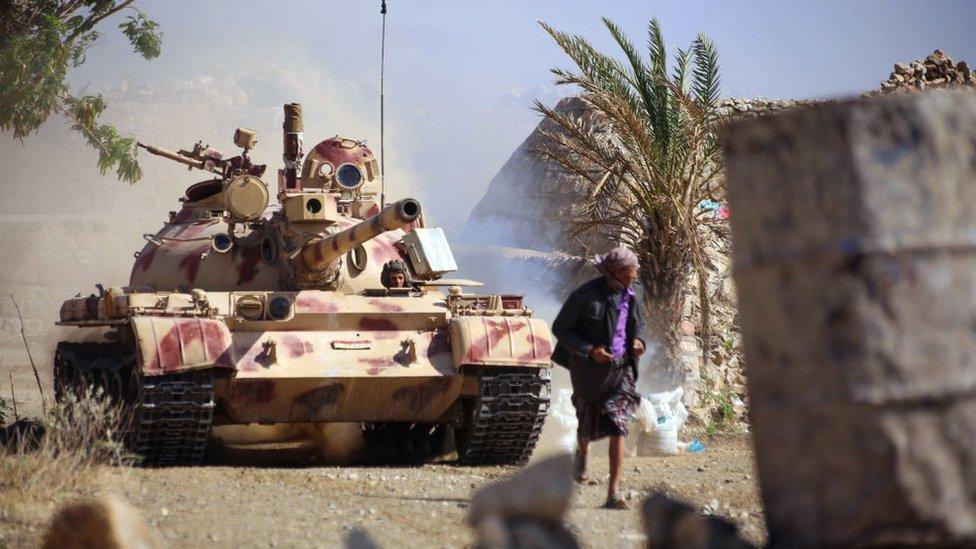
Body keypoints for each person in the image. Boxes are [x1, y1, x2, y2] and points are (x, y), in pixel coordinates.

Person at [551, 246, 646, 510]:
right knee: (587, 421)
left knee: (618, 423)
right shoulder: (585, 296)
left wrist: (639, 341)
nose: (637, 272)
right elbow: (560, 328)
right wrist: (590, 351)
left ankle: (614, 492)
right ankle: (582, 450)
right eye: (633, 268)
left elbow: (640, 325)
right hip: (589, 372)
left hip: (622, 370)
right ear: (618, 272)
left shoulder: (633, 294)